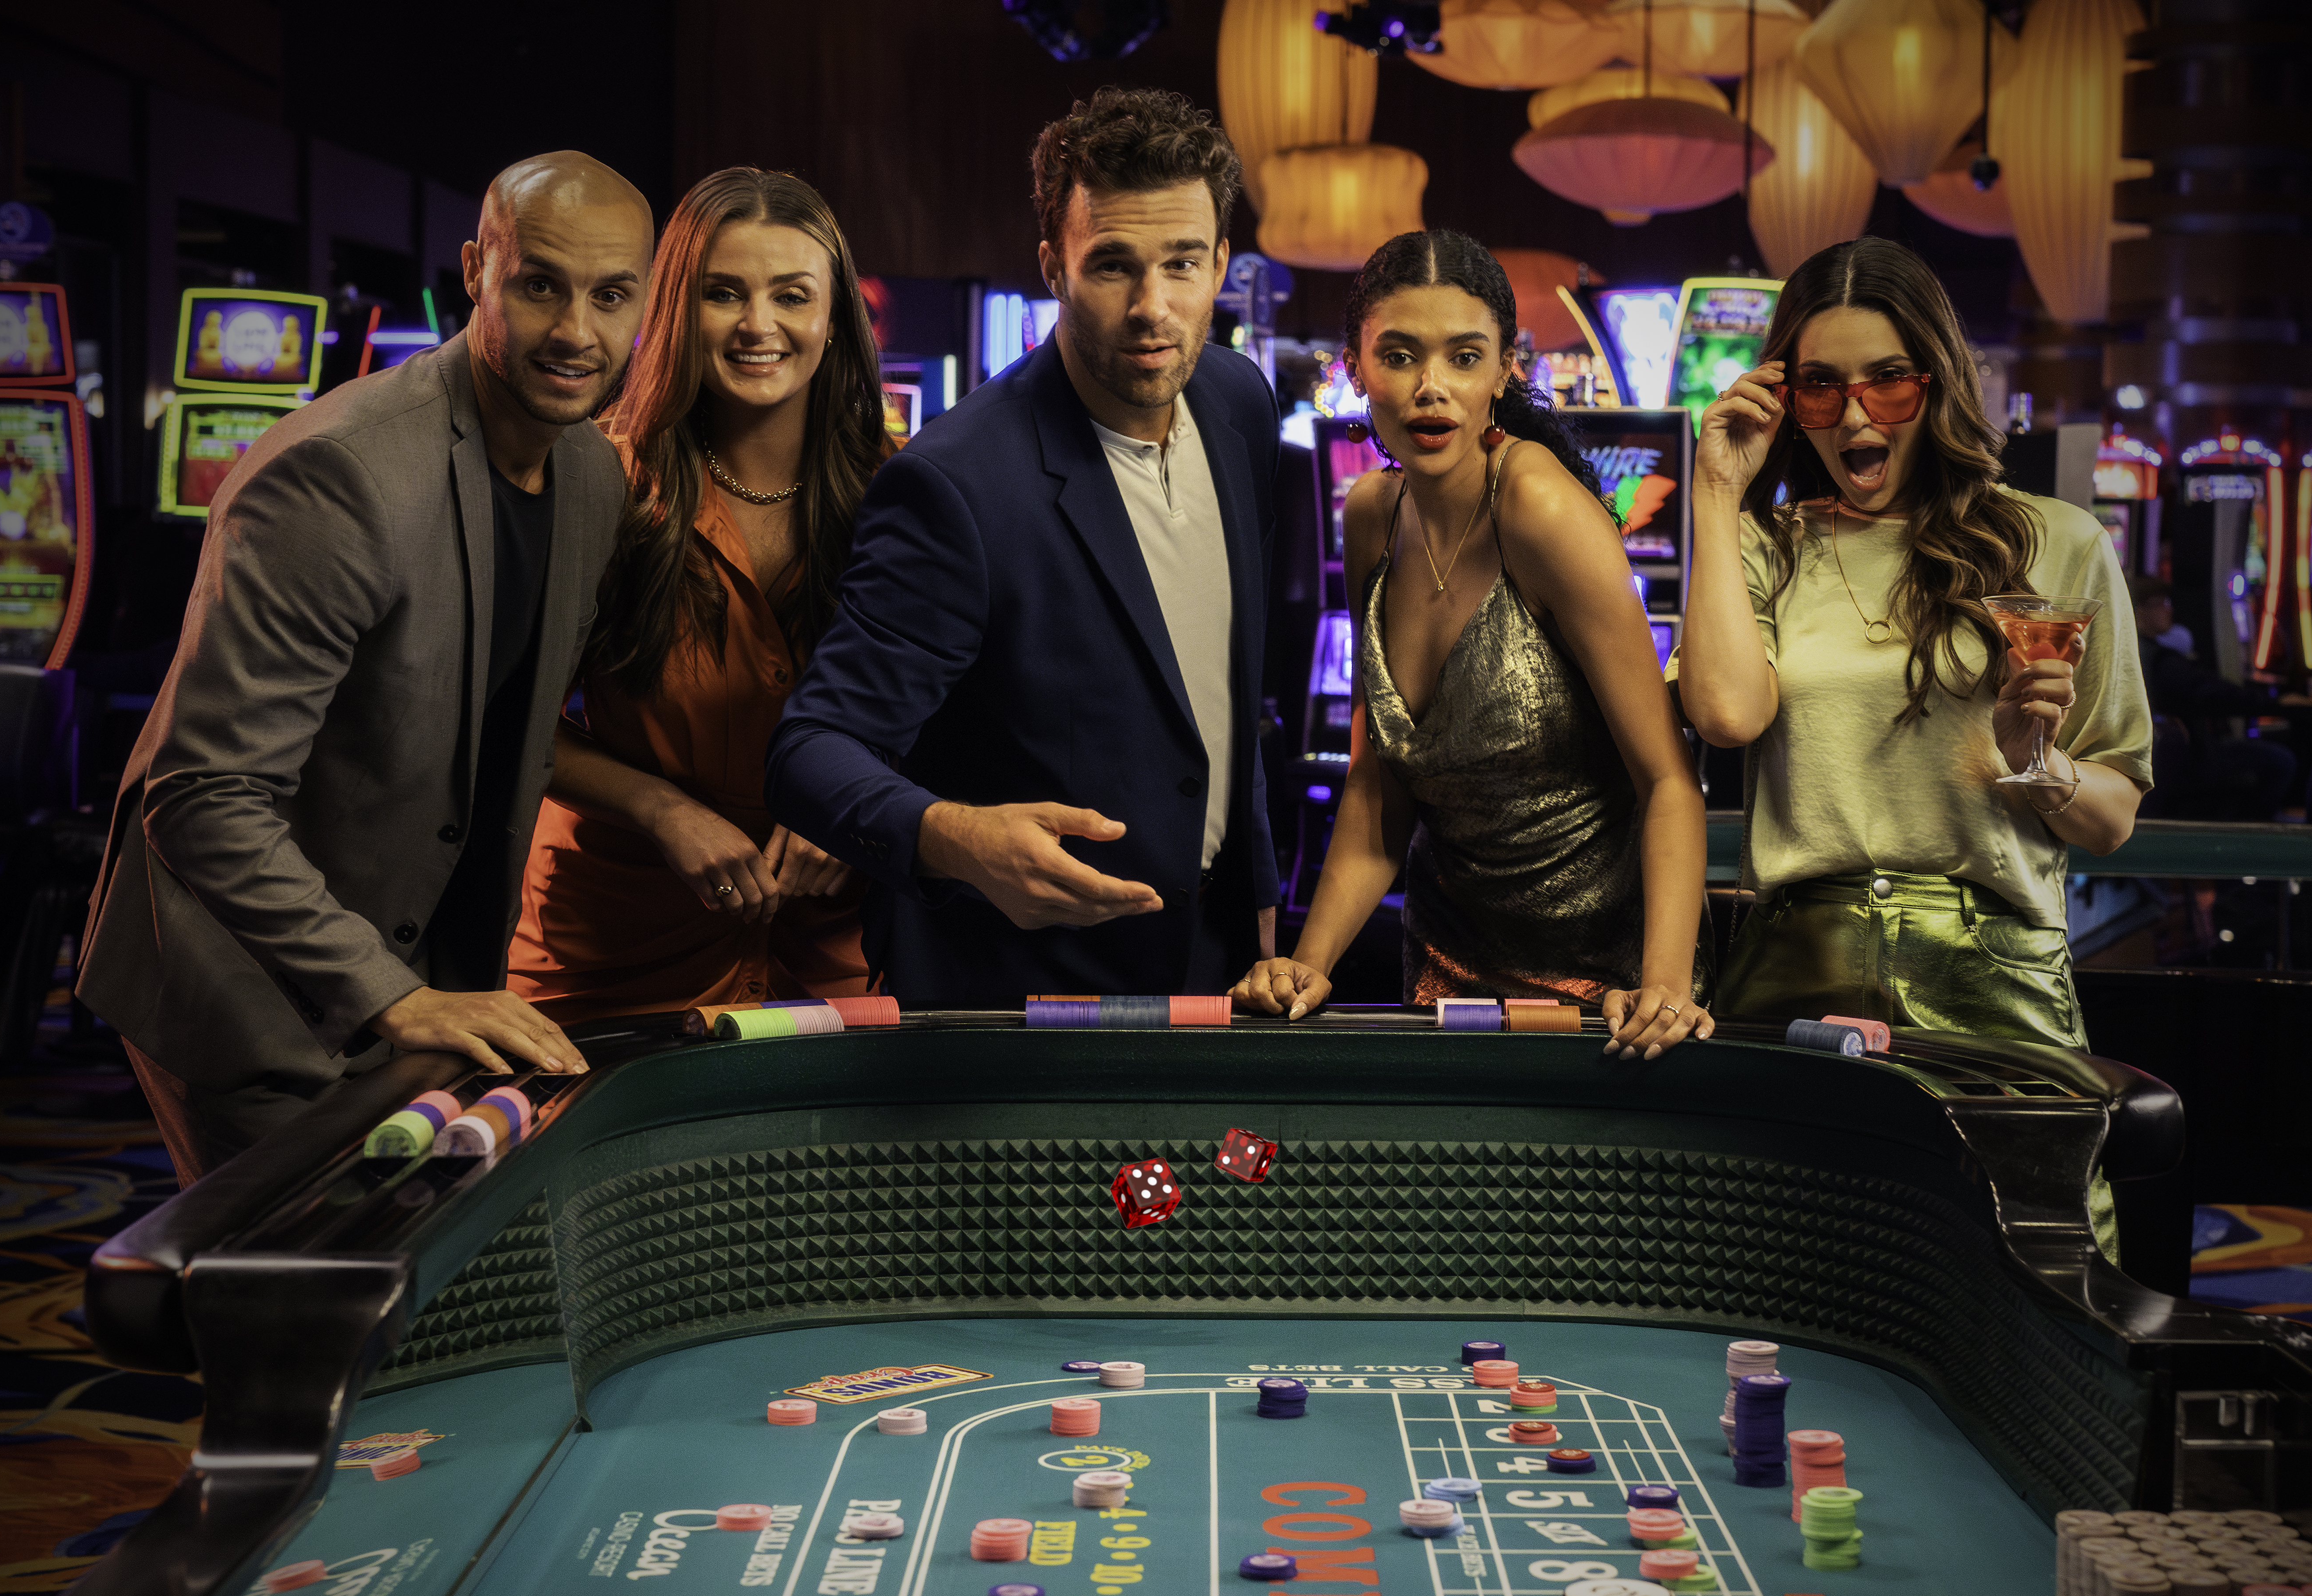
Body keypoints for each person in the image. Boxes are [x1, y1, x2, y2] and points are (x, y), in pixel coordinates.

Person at [78, 153, 653, 1182]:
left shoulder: (590, 471)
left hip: (419, 964)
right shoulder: (341, 471)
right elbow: (205, 794)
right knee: (309, 1272)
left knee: (412, 1257)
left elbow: (496, 729)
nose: (577, 330)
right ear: (476, 271)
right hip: (249, 981)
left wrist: (667, 809)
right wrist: (393, 994)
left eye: (611, 295)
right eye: (540, 284)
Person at [767, 88, 1282, 1000]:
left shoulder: (1240, 402)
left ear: (1220, 264)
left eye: (1182, 263)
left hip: (1217, 964)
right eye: (1112, 265)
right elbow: (810, 751)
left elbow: (1222, 702)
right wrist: (956, 838)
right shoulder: (956, 483)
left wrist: (1258, 893)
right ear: (1053, 267)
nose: (1153, 307)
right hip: (1021, 991)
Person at [1229, 231, 1712, 1058]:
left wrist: (1664, 986)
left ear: (1504, 370)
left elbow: (1668, 780)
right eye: (1399, 356)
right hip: (1444, 976)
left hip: (1605, 996)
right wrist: (1308, 965)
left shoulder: (1540, 510)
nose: (1431, 388)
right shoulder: (1370, 515)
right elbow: (1380, 786)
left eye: (1463, 357)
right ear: (1354, 369)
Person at [1674, 236, 2152, 1053]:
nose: (1855, 416)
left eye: (1888, 380)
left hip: (1993, 976)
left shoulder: (2057, 543)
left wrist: (2034, 761)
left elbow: (2111, 822)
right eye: (1821, 387)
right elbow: (1725, 715)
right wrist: (1716, 491)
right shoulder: (1763, 544)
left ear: (1937, 382)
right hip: (1795, 962)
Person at [508, 169, 887, 1023]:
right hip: (613, 943)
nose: (758, 324)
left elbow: (956, 714)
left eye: (791, 295)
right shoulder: (595, 482)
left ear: (833, 317)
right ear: (677, 309)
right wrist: (659, 807)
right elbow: (511, 718)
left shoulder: (904, 494)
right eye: (723, 293)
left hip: (834, 944)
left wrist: (859, 800)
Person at [2127, 572, 2299, 821]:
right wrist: (2276, 703)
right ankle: (2245, 835)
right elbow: (2211, 693)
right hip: (2184, 760)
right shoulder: (2161, 661)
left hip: (2164, 758)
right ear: (2139, 610)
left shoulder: (2139, 651)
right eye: (2161, 603)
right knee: (2281, 761)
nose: (2169, 610)